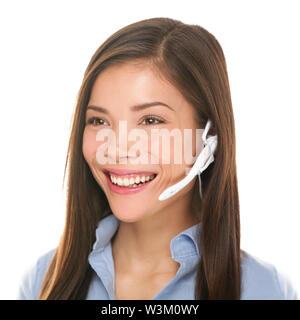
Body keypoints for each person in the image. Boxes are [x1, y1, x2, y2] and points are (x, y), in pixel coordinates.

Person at [17, 17, 298, 300]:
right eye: (99, 121)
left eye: (150, 120)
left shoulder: (266, 290)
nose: (117, 148)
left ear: (209, 136)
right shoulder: (41, 281)